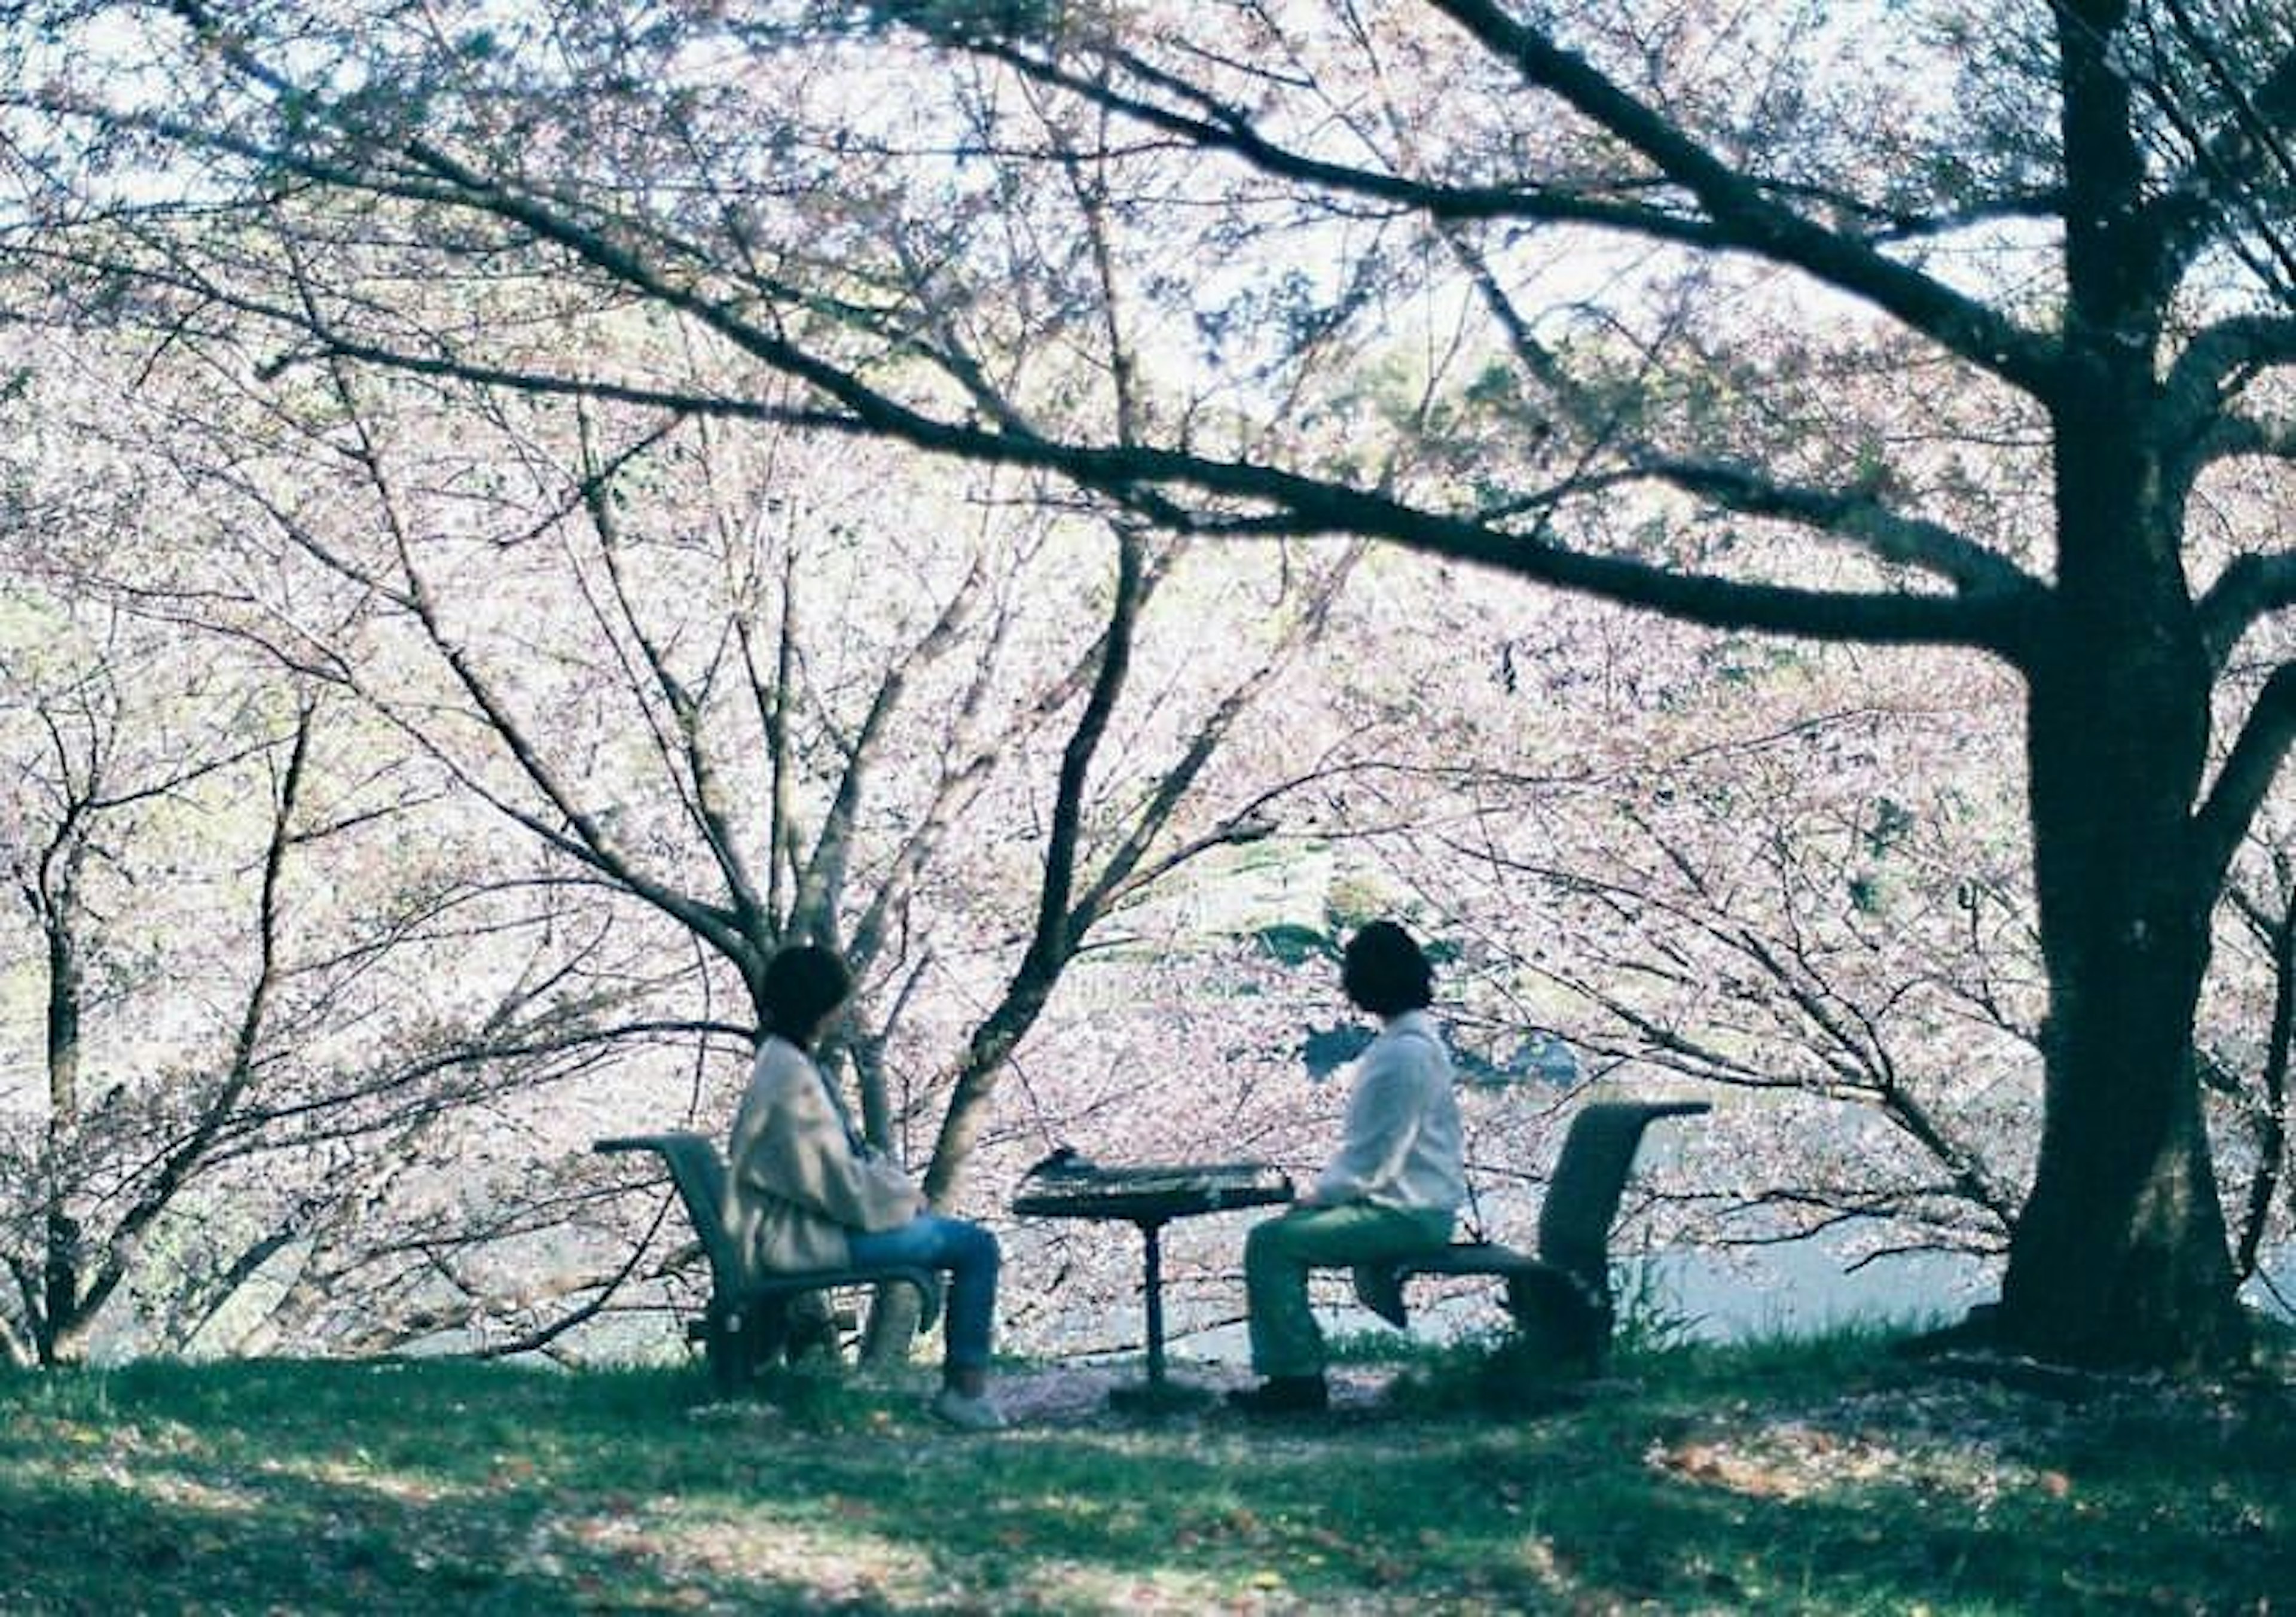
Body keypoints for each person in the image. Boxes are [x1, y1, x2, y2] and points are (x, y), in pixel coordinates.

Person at [725, 943, 1006, 1432]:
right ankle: (964, 1392)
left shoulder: (784, 1063)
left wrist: (895, 1191)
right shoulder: (791, 1078)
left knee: (961, 1240)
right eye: (841, 1002)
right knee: (976, 1248)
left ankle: (964, 1388)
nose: (845, 1012)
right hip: (800, 1240)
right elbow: (835, 1185)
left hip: (799, 1228)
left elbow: (838, 1165)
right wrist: (902, 1199)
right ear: (821, 1007)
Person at [1229, 920, 1467, 1415]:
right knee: (1279, 1237)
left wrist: (1320, 1196)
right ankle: (1296, 1376)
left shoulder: (1403, 1054)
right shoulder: (1417, 1043)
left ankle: (1296, 1381)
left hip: (1407, 1213)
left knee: (1271, 1242)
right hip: (1419, 1205)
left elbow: (1378, 1156)